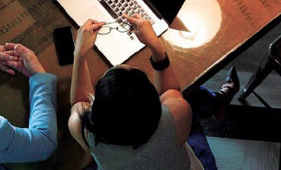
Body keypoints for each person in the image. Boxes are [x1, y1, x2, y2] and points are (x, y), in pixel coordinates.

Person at [68, 15, 239, 170]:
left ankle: (217, 103)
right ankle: (218, 103)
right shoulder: (176, 114)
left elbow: (79, 103)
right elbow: (170, 90)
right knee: (192, 92)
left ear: (96, 110)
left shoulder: (84, 132)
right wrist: (156, 47)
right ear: (155, 105)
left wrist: (79, 54)